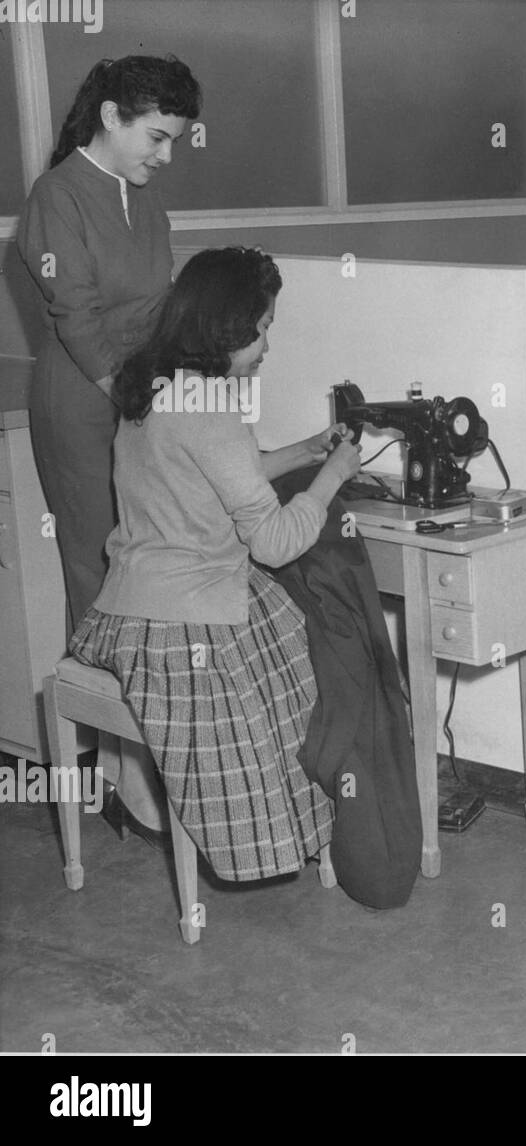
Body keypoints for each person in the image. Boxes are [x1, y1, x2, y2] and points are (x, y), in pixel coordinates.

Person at [69, 247, 364, 881]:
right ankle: (300, 836)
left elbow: (217, 474)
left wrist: (304, 450)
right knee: (311, 667)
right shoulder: (214, 408)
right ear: (226, 327)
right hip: (183, 630)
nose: (265, 346)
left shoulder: (155, 388)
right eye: (260, 330)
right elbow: (277, 542)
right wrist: (332, 476)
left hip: (122, 614)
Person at [17, 55, 201, 839]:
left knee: (146, 559)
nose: (166, 156)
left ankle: (146, 750)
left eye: (175, 142)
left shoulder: (147, 205)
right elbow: (80, 322)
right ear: (112, 119)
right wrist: (141, 404)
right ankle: (122, 770)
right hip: (81, 406)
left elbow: (158, 313)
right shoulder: (56, 197)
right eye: (156, 137)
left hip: (134, 401)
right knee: (96, 569)